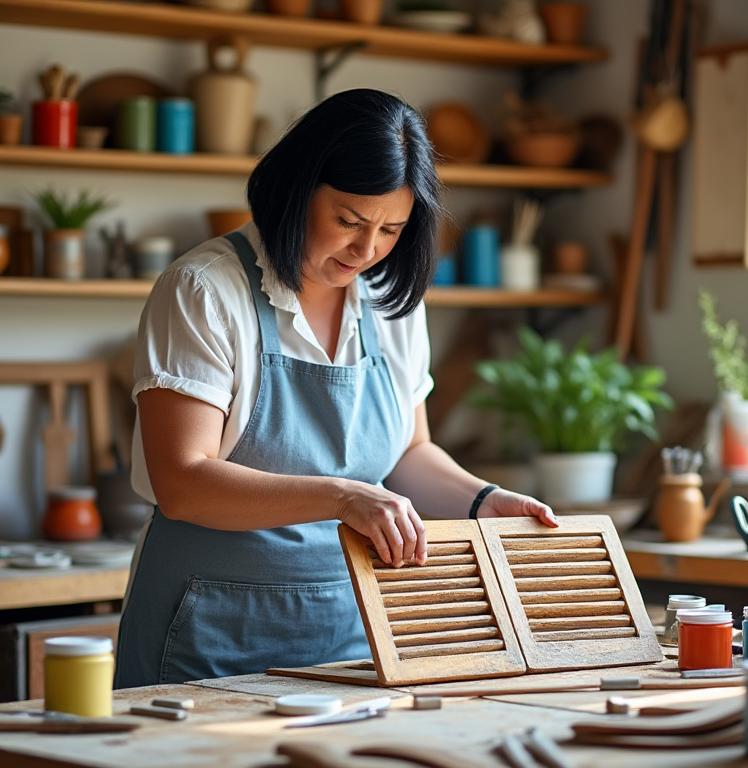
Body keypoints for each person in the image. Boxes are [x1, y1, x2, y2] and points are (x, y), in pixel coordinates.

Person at [115, 89, 557, 687]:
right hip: (209, 628)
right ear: (298, 187)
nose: (367, 249)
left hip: (349, 627)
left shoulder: (391, 304)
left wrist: (484, 503)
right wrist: (344, 497)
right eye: (349, 220)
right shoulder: (203, 290)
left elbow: (408, 453)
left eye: (391, 229)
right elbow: (183, 482)